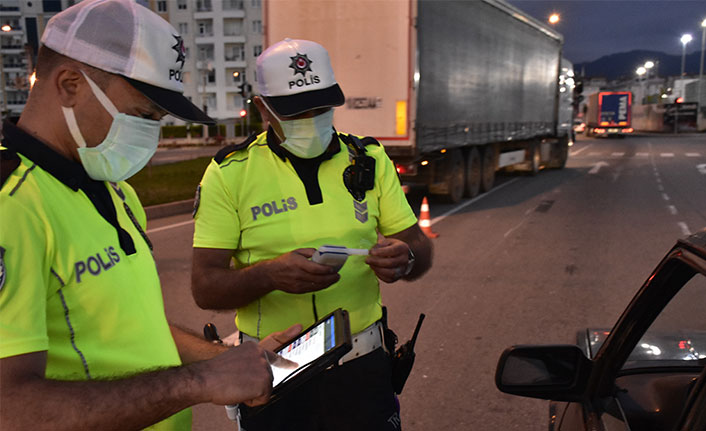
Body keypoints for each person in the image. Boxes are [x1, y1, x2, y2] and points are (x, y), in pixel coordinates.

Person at [0, 1, 297, 430]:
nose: (150, 134)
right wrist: (197, 381)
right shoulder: (12, 206)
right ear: (69, 84)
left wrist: (226, 361)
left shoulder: (112, 189)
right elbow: (11, 408)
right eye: (143, 115)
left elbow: (136, 330)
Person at [191, 38, 434, 430]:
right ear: (262, 108)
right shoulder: (230, 173)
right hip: (273, 373)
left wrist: (405, 258)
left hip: (362, 368)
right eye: (297, 110)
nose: (312, 118)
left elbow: (419, 249)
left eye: (322, 107)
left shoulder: (368, 160)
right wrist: (268, 276)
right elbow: (205, 287)